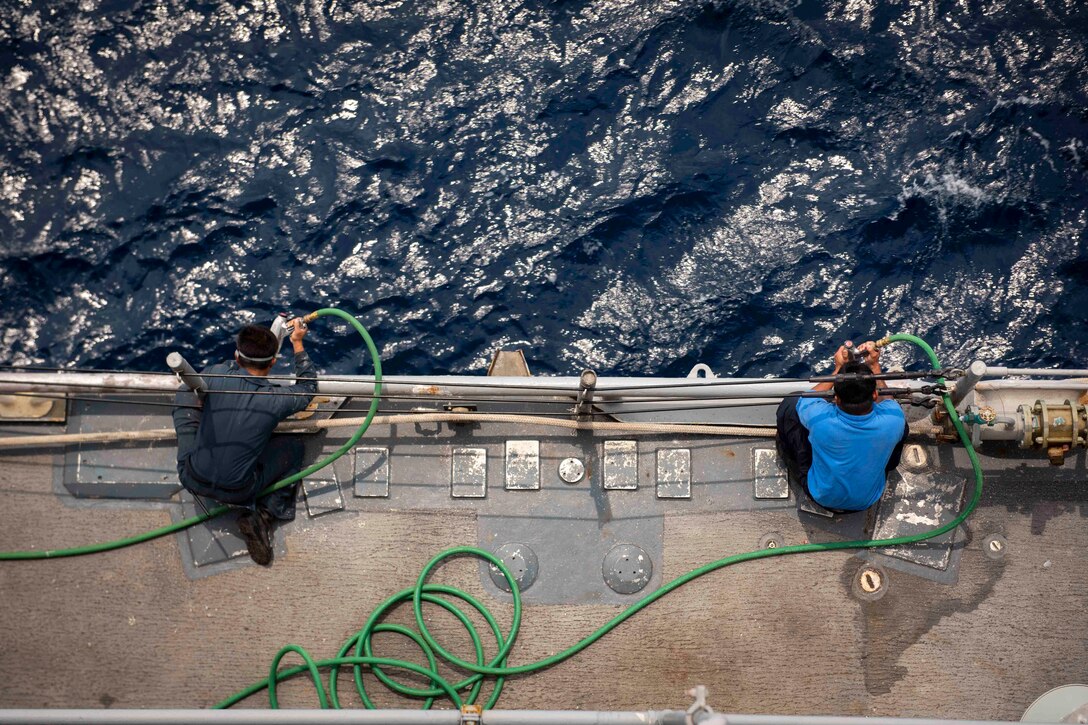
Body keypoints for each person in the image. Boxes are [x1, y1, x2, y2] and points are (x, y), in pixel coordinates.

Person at [172, 319, 317, 565]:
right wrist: (297, 342)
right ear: (273, 363)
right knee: (294, 447)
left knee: (186, 402)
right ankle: (266, 515)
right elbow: (308, 387)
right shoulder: (278, 399)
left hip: (190, 477)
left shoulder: (216, 374)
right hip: (240, 491)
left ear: (236, 358)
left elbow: (198, 386)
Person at [776, 340, 909, 513]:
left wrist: (838, 369)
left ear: (836, 398)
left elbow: (805, 399)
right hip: (867, 501)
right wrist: (875, 367)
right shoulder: (894, 420)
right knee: (903, 429)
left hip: (821, 497)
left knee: (790, 404)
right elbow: (889, 402)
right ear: (875, 394)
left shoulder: (820, 419)